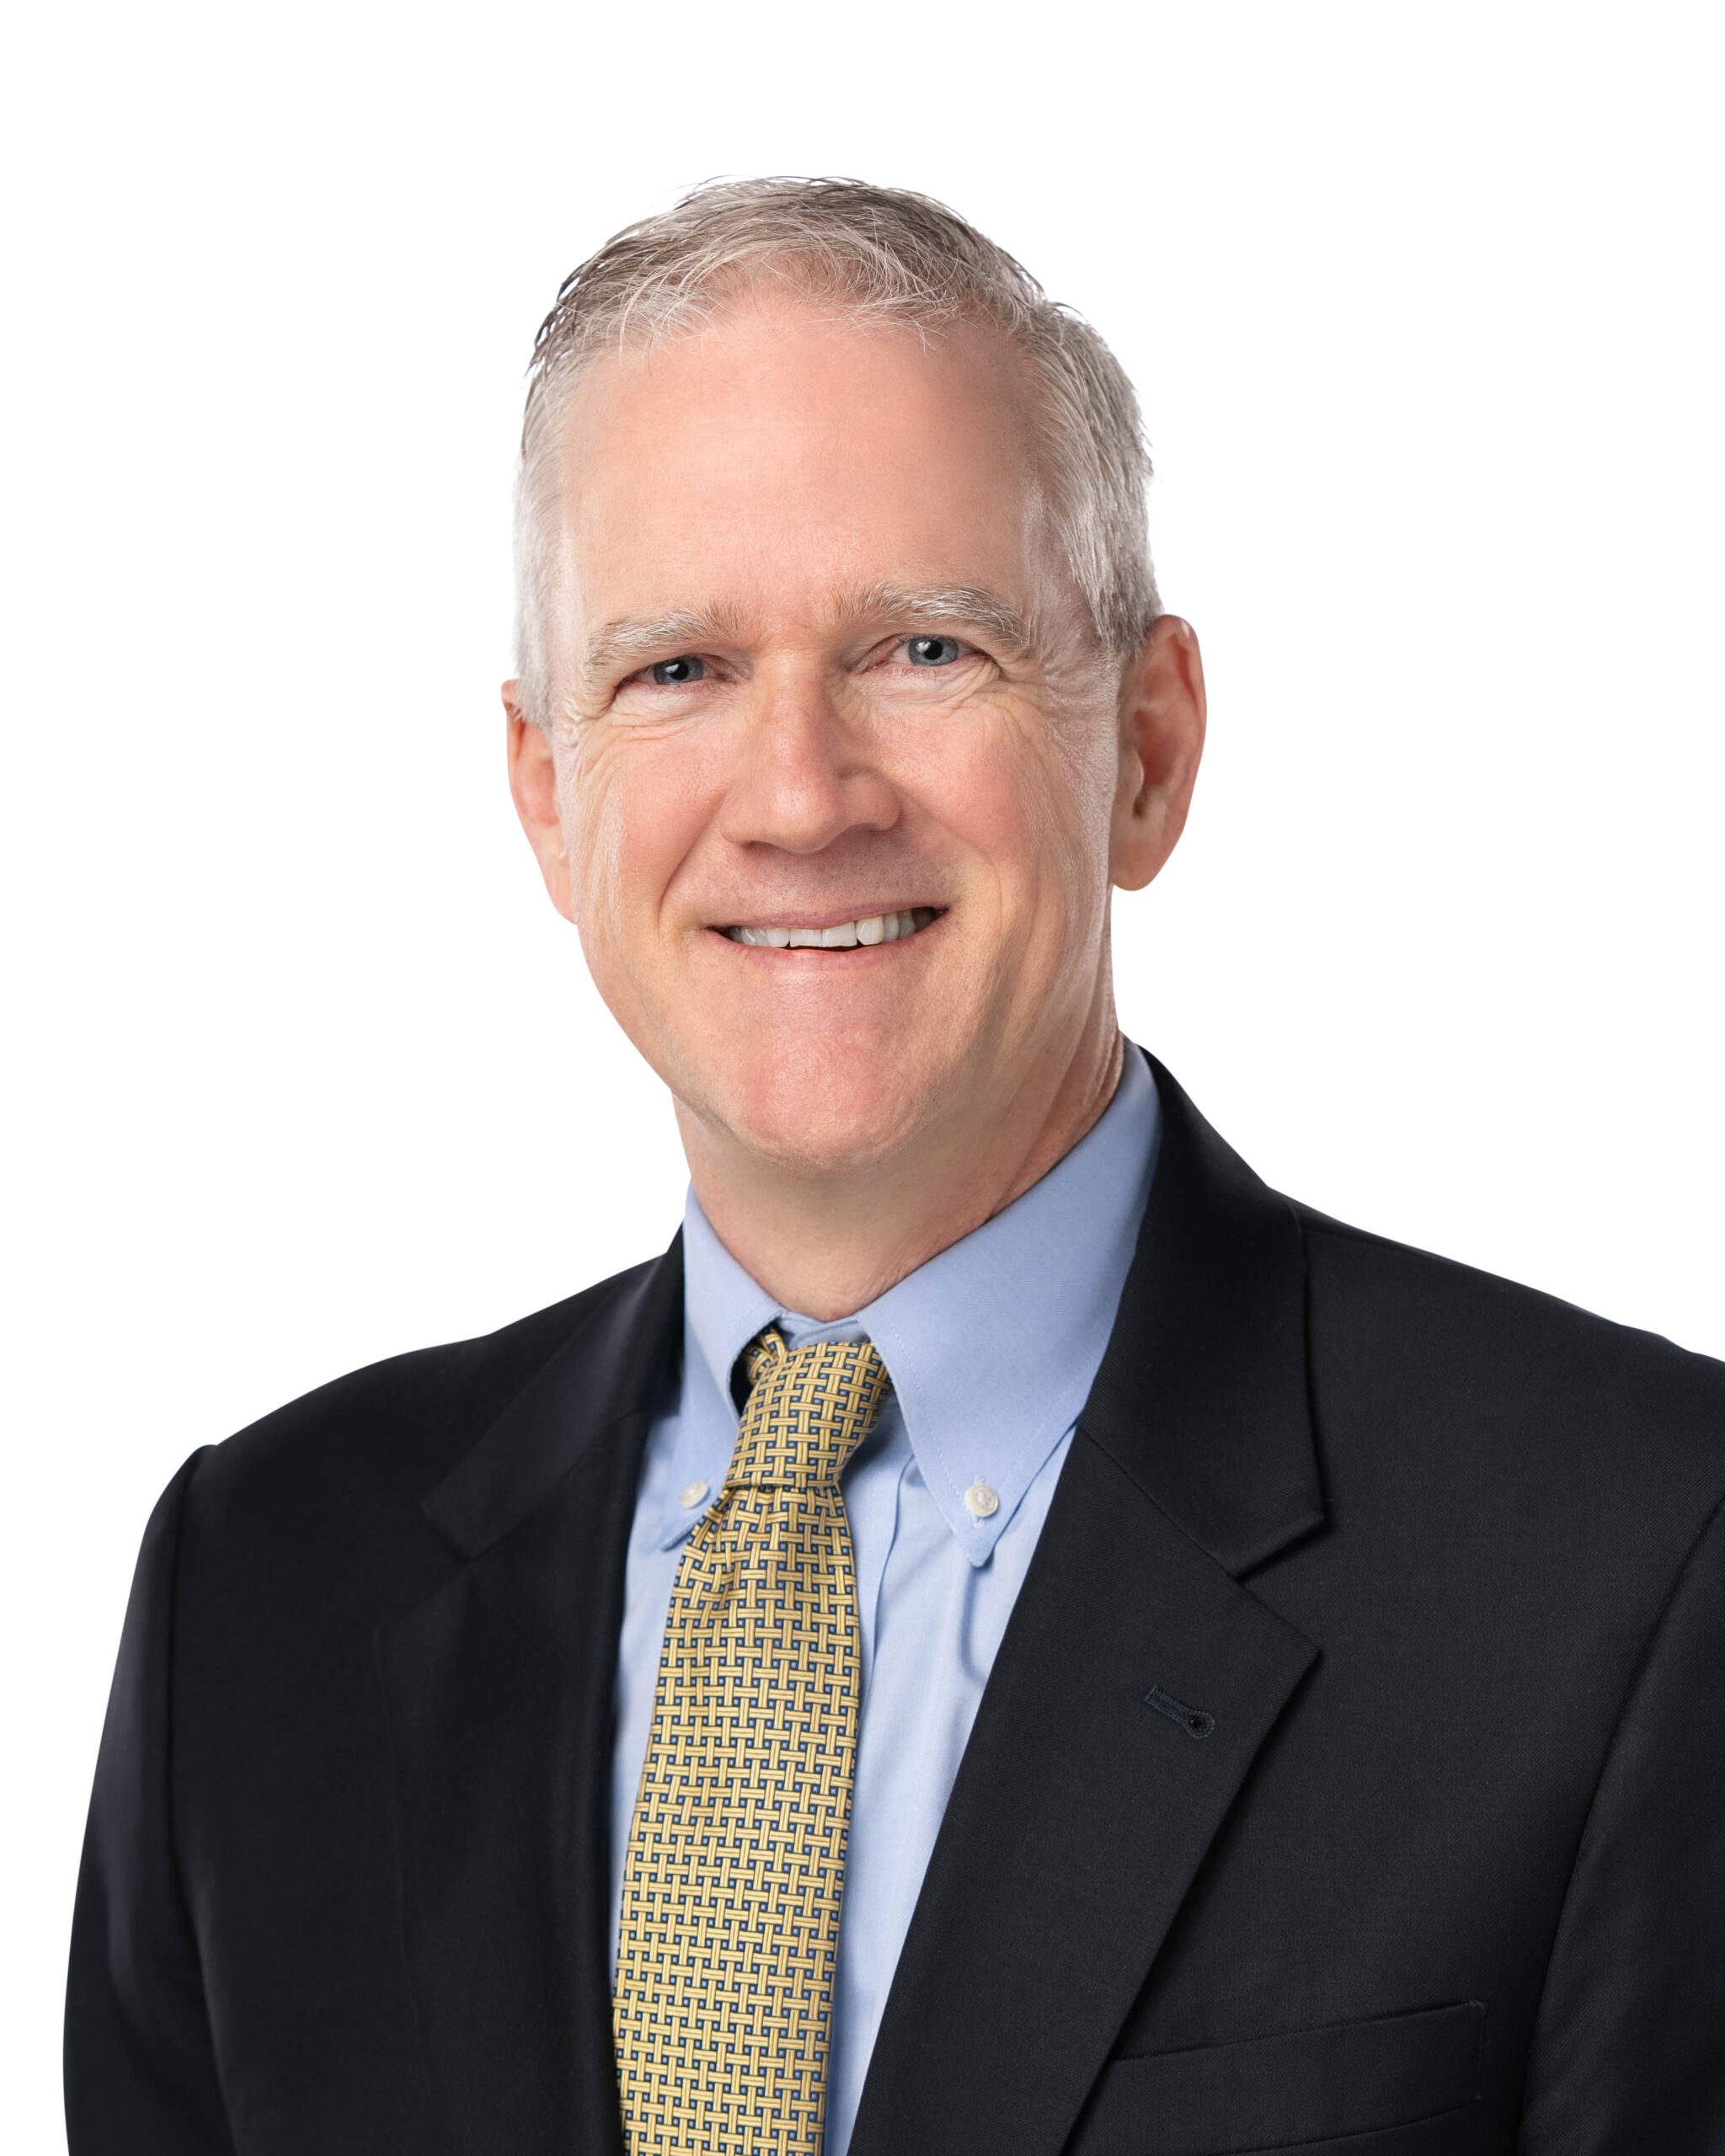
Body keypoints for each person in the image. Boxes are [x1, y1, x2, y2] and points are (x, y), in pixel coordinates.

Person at [66, 178, 1725, 2156]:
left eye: (925, 647)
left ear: (1146, 751)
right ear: (545, 793)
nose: (799, 794)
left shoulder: (1638, 1560)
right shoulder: (260, 1593)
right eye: (675, 669)